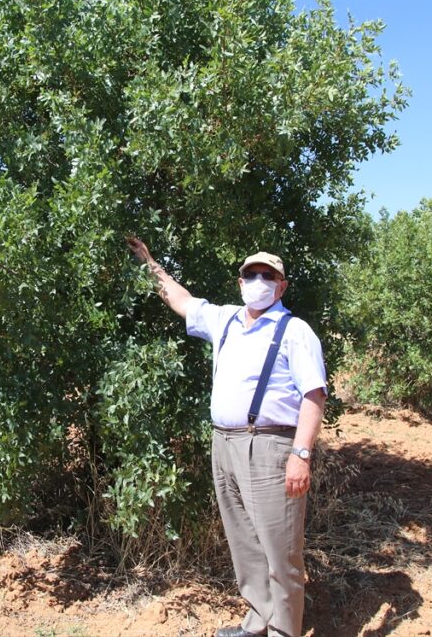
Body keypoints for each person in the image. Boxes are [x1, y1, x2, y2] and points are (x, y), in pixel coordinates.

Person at [126, 236, 326, 637]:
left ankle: (284, 631)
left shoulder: (294, 331)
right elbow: (180, 299)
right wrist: (150, 264)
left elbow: (314, 395)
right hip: (225, 444)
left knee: (280, 548)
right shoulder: (227, 320)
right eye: (250, 274)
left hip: (271, 446)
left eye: (267, 275)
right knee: (245, 541)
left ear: (282, 285)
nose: (258, 280)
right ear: (240, 283)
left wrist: (300, 455)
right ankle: (257, 621)